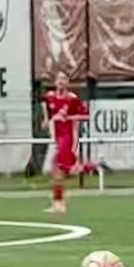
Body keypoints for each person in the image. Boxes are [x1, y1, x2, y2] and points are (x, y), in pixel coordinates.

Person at [43, 71, 97, 215]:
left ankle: (59, 204)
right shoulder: (50, 97)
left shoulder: (72, 99)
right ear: (55, 82)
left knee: (59, 169)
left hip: (68, 137)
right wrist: (47, 120)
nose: (61, 81)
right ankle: (90, 166)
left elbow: (86, 116)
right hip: (57, 137)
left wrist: (70, 117)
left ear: (68, 82)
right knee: (61, 171)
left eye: (64, 79)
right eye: (59, 79)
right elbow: (48, 111)